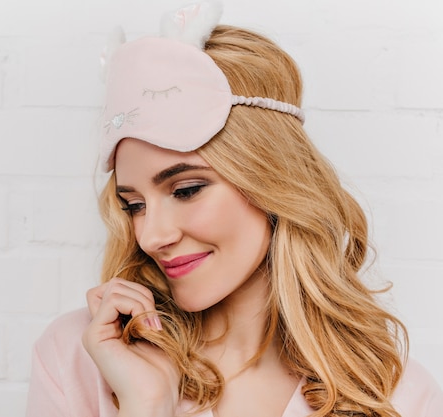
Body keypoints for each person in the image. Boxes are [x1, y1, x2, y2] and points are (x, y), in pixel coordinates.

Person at [25, 2, 443, 416]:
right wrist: (146, 406)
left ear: (272, 180)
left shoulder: (394, 393)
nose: (151, 236)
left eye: (186, 190)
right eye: (133, 205)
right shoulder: (79, 357)